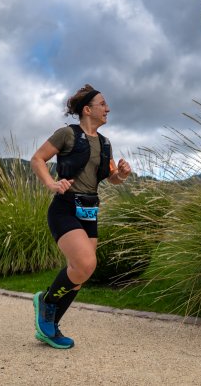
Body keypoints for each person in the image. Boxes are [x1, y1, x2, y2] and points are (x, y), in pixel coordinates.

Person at [30, 84, 131, 349]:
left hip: (89, 211)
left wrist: (121, 175)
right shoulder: (67, 134)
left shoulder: (105, 143)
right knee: (85, 263)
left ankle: (51, 327)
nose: (108, 109)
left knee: (80, 272)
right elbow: (37, 159)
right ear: (87, 109)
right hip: (64, 207)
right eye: (103, 104)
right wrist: (52, 184)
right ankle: (46, 302)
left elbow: (111, 178)